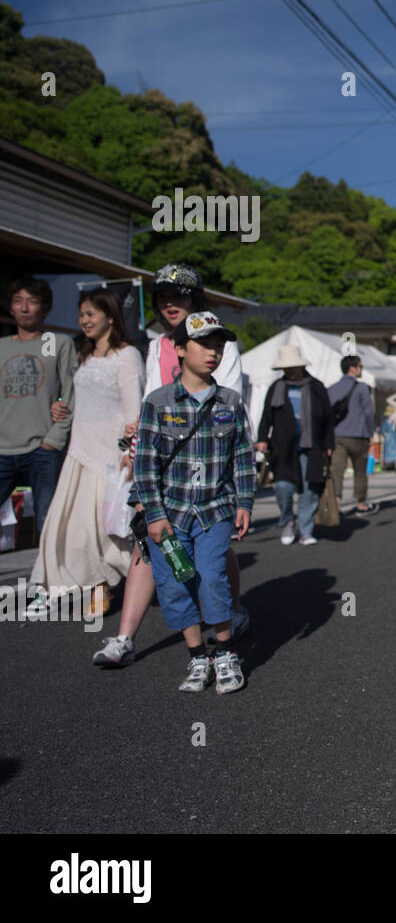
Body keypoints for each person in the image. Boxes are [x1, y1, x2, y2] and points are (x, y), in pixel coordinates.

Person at [91, 263, 250, 668]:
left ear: (194, 298)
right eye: (162, 298)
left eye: (178, 296)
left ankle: (230, 612)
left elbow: (228, 399)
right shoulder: (158, 344)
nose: (169, 304)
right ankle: (125, 637)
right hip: (164, 460)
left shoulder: (217, 341)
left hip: (209, 461)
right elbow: (150, 397)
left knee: (213, 551)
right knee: (150, 540)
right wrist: (139, 434)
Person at [134, 312, 254, 693]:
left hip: (214, 509)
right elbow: (145, 464)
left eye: (219, 346)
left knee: (212, 577)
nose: (214, 353)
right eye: (205, 345)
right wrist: (153, 514)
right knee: (173, 583)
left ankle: (225, 651)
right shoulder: (157, 402)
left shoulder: (231, 401)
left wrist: (245, 502)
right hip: (170, 513)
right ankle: (197, 657)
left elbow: (244, 456)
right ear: (180, 349)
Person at [28, 289, 143, 619]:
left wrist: (129, 454)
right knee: (65, 526)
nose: (84, 321)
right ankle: (57, 587)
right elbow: (75, 398)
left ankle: (103, 589)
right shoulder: (84, 355)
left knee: (102, 529)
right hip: (79, 450)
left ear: (110, 316)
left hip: (111, 455)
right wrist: (61, 409)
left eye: (91, 314)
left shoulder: (128, 356)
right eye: (81, 315)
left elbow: (134, 413)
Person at [0, 276, 77, 537]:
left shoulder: (54, 342)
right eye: (18, 301)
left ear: (44, 308)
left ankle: (50, 577)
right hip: (2, 446)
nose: (24, 308)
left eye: (32, 302)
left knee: (47, 521)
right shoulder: (2, 346)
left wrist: (54, 438)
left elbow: (70, 392)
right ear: (10, 307)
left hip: (42, 447)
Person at [257, 344, 334, 547]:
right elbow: (267, 416)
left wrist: (329, 443)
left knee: (310, 489)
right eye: (286, 368)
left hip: (312, 446)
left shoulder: (316, 387)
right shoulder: (277, 388)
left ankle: (306, 530)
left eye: (293, 367)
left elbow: (327, 418)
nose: (289, 371)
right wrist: (262, 437)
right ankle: (288, 521)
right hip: (283, 447)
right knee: (283, 487)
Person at [327, 355, 377, 514]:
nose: (361, 369)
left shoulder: (332, 388)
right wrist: (371, 432)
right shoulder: (362, 388)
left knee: (337, 470)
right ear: (352, 368)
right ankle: (361, 503)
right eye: (359, 366)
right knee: (360, 471)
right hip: (358, 434)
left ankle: (336, 503)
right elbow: (369, 413)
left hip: (337, 435)